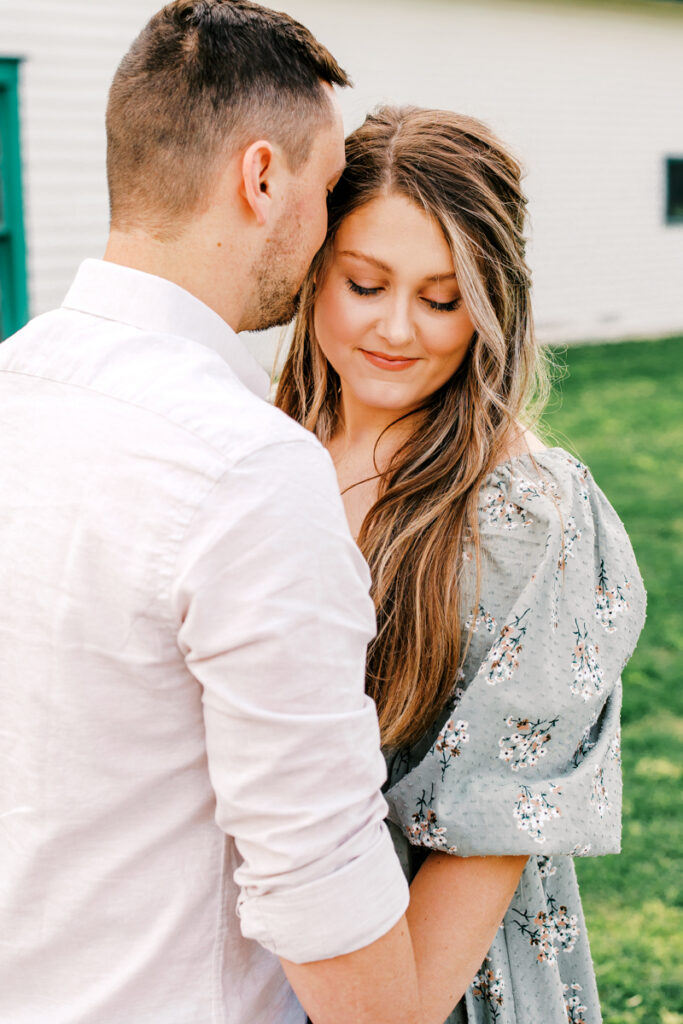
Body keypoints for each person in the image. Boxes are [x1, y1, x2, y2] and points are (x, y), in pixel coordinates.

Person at [0, 6, 427, 1024]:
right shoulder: (245, 468)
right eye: (326, 189)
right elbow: (317, 873)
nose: (323, 228)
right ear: (262, 176)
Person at [276, 105, 647, 1024]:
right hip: (260, 944)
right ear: (315, 271)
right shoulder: (257, 450)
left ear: (491, 303)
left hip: (431, 971)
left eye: (442, 300)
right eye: (365, 284)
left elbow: (490, 829)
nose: (397, 329)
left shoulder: (525, 514)